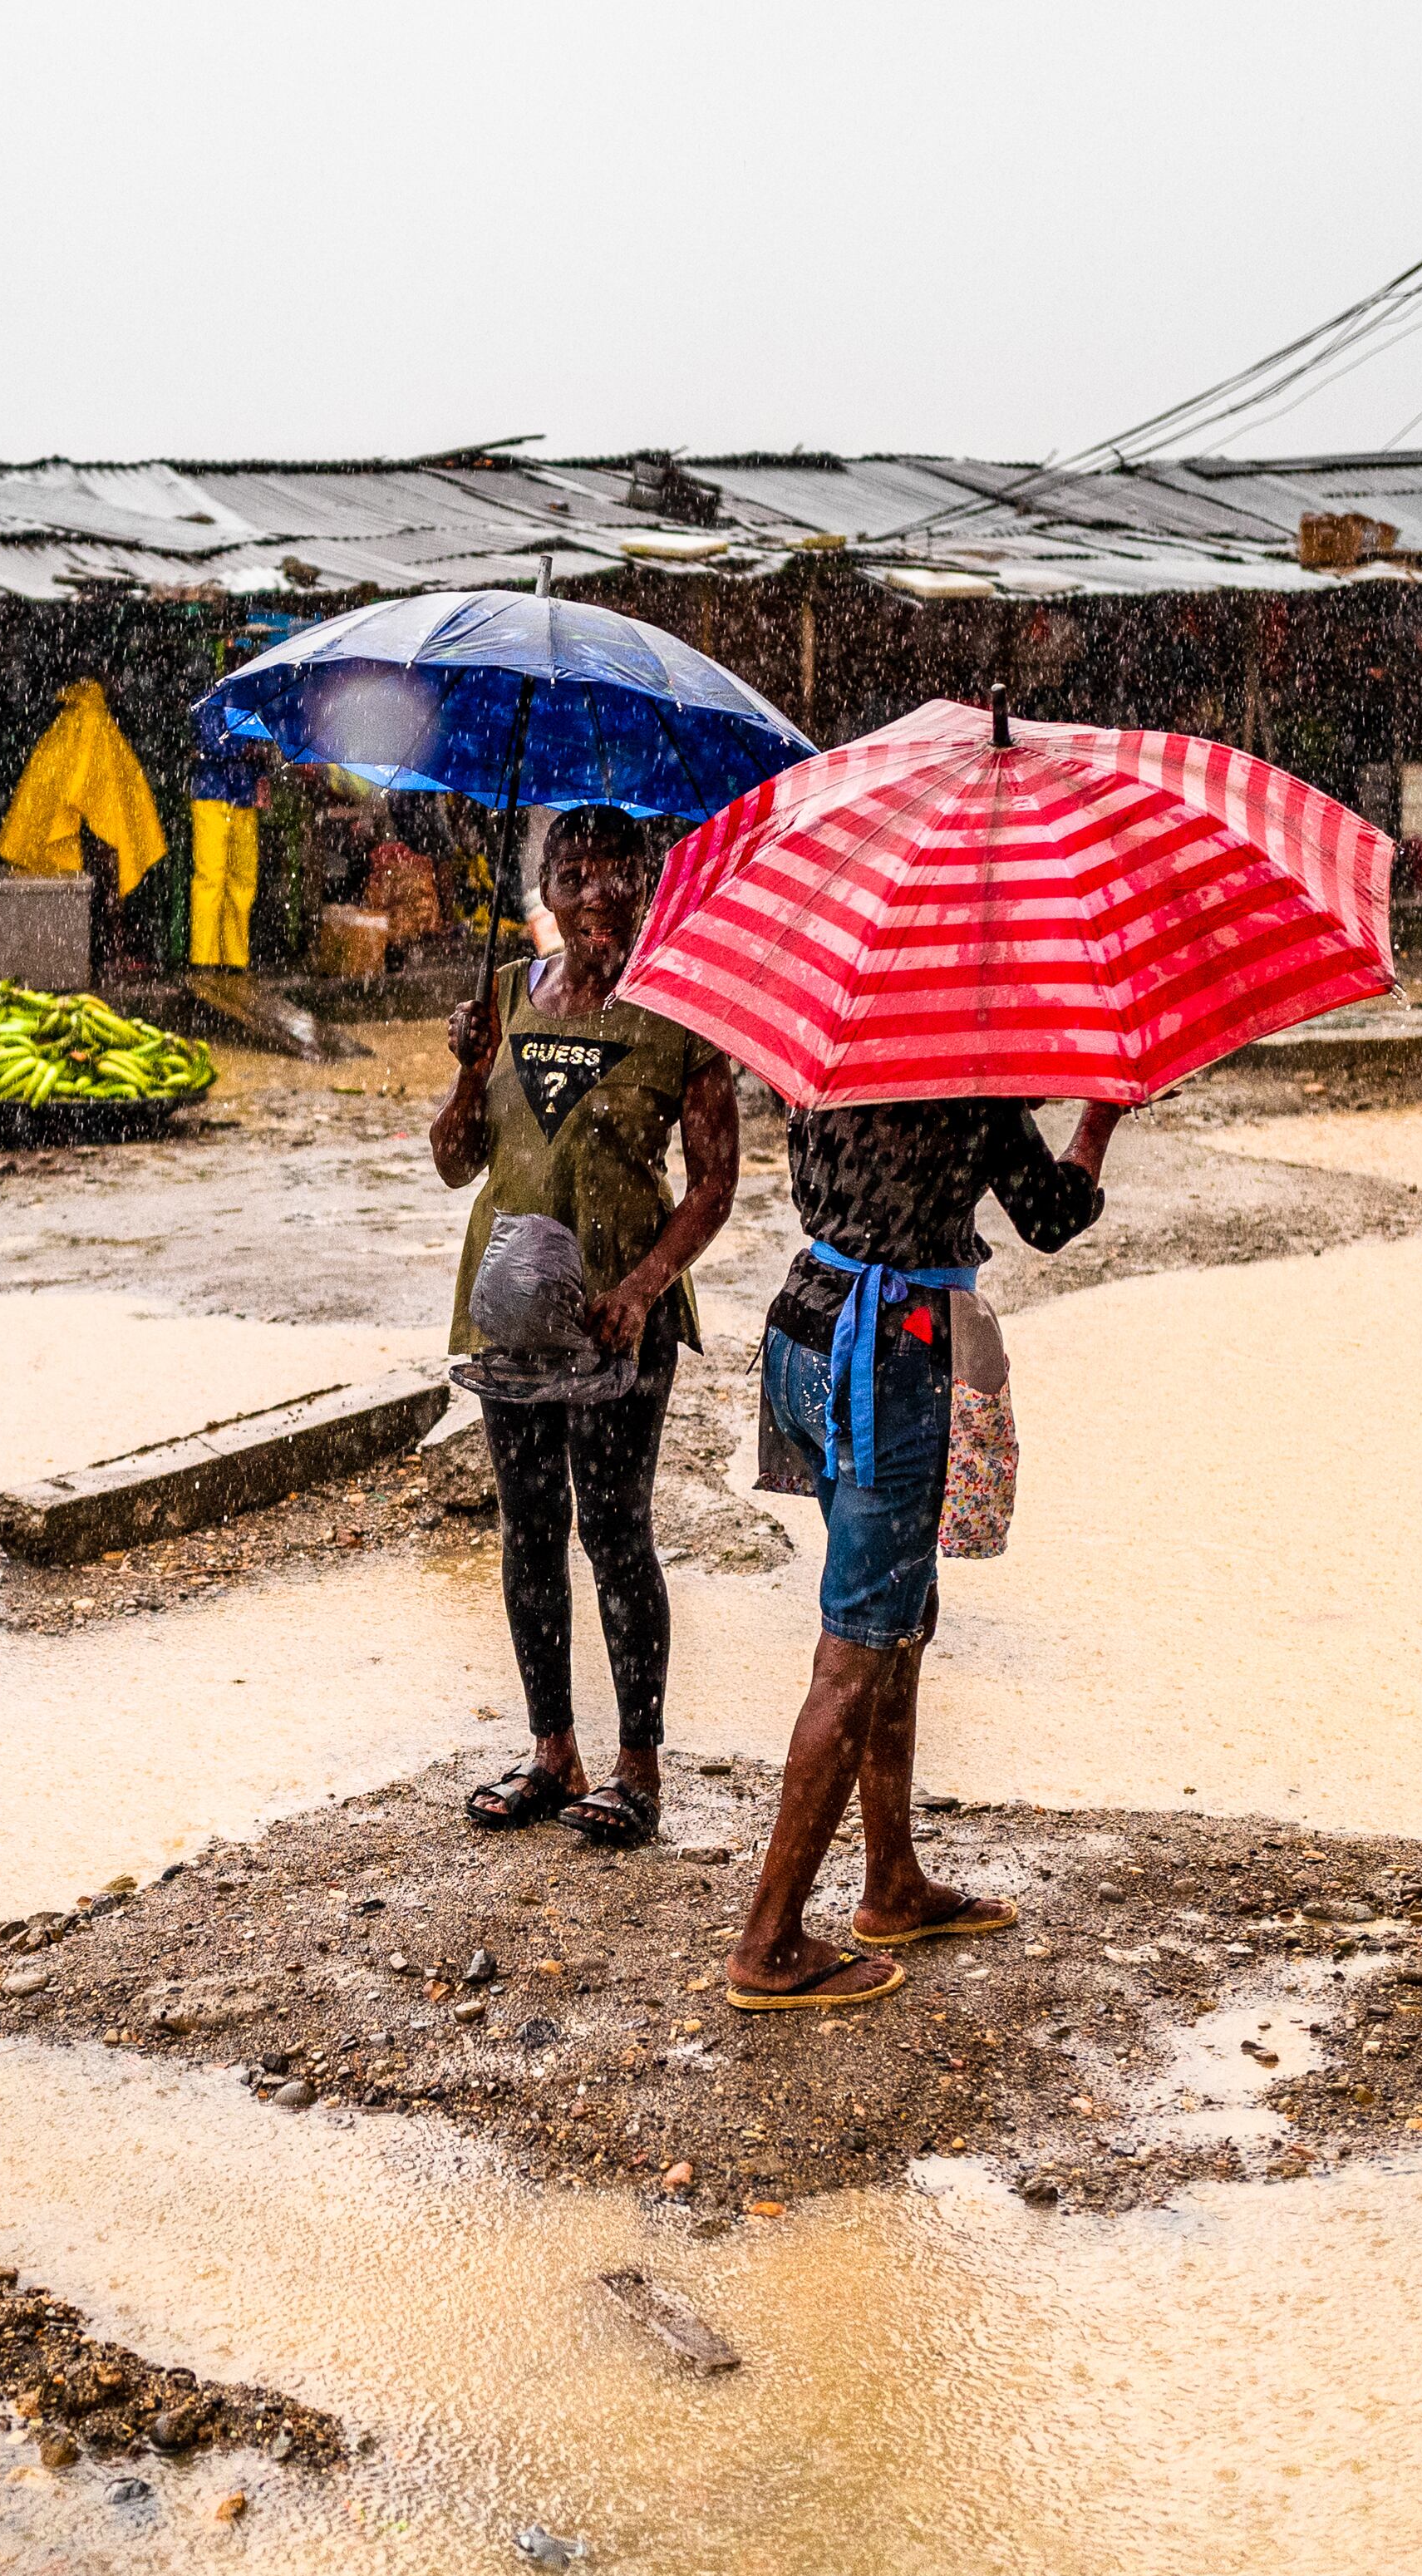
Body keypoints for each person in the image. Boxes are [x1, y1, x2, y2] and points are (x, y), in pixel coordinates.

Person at [723, 1094, 1119, 2008]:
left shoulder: (827, 1063)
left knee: (899, 1615)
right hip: (885, 1354)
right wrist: (1098, 1121)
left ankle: (890, 1881)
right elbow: (1049, 1218)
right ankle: (768, 1941)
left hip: (804, 1328)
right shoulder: (971, 1085)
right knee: (859, 1644)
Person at [430, 805, 740, 1847]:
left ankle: (635, 1765)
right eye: (576, 872)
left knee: (613, 1531)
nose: (599, 890)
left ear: (647, 883)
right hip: (508, 1312)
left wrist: (645, 1287)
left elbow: (713, 1186)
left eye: (619, 872)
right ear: (546, 892)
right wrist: (470, 1068)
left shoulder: (679, 1017)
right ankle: (551, 1751)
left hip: (619, 1318)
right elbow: (452, 1162)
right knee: (527, 1532)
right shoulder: (506, 1001)